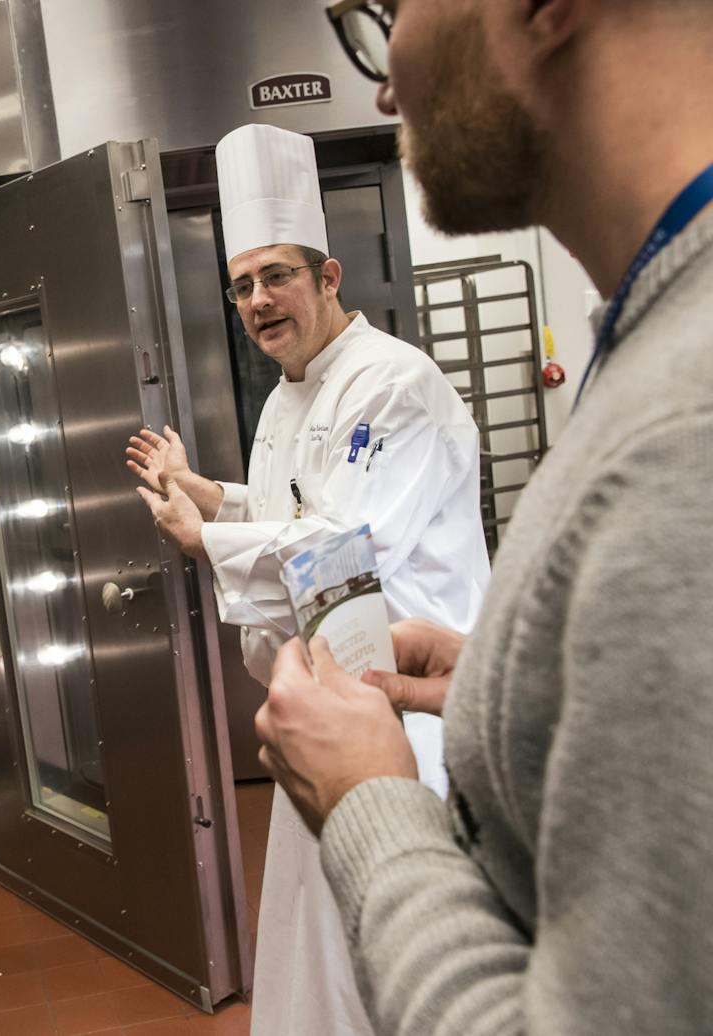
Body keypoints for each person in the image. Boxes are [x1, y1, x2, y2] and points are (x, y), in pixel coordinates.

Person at [256, 1, 713, 1033]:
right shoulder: (655, 343)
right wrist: (516, 690)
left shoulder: (684, 427)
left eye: (388, 11)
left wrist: (368, 806)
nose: (383, 81)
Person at [127, 122, 489, 1036]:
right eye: (243, 284)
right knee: (314, 947)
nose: (258, 299)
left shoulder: (392, 385)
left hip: (407, 717)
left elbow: (347, 551)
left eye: (278, 275)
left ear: (330, 277)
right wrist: (215, 494)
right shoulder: (291, 393)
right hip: (326, 704)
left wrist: (204, 539)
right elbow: (304, 505)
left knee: (394, 952)